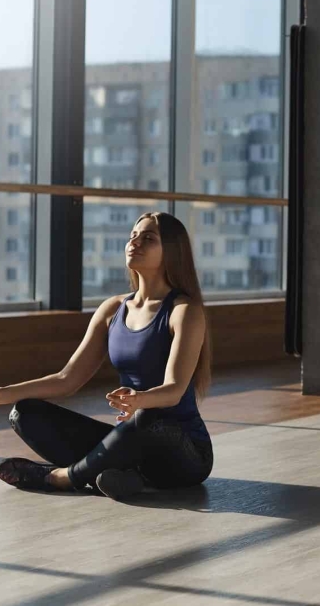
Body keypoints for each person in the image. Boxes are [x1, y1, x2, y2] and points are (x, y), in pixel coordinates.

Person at [0, 211, 213, 501]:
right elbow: (66, 379)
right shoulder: (112, 309)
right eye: (132, 236)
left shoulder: (183, 311)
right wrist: (4, 394)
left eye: (148, 238)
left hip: (185, 453)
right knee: (25, 412)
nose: (134, 242)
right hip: (129, 442)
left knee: (146, 417)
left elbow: (174, 391)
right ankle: (122, 476)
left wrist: (140, 400)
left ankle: (62, 477)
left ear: (172, 252)